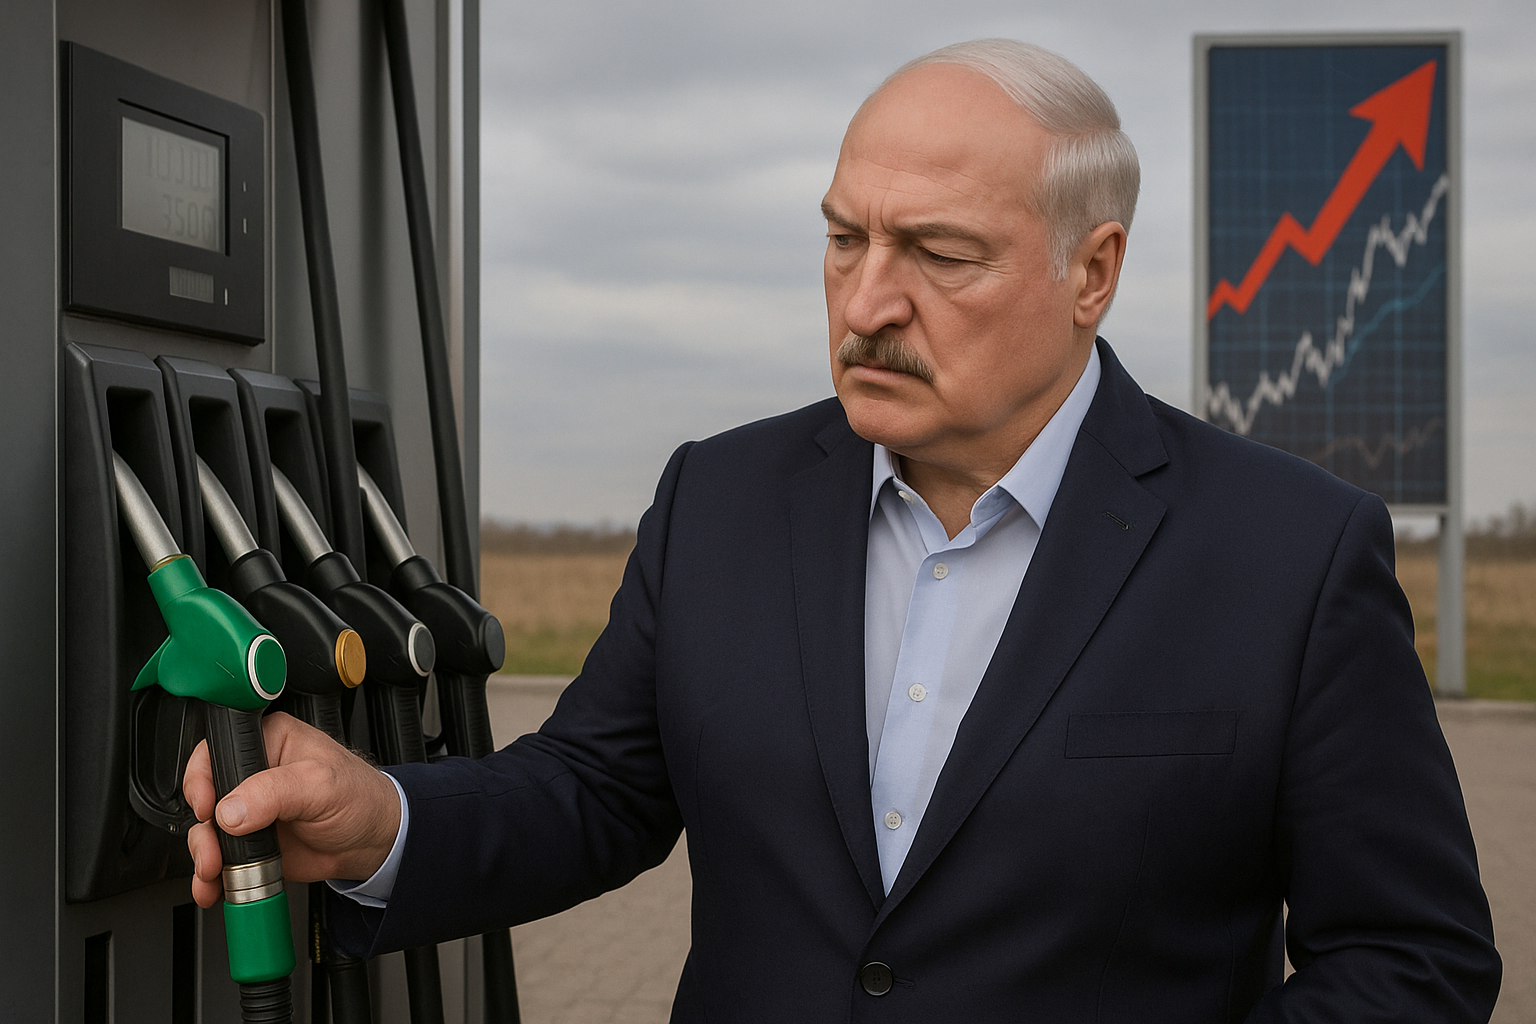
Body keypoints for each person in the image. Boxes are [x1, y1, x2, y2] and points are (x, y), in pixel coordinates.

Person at [185, 39, 1501, 1020]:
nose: (868, 302)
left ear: (1092, 271)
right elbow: (592, 795)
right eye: (844, 239)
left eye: (939, 253)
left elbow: (1412, 960)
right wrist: (379, 820)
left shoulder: (1291, 555)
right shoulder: (718, 498)